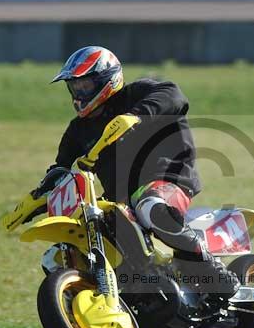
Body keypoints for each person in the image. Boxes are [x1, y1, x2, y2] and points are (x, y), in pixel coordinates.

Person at [28, 45, 238, 296]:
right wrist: (38, 196)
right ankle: (116, 297)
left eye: (85, 85)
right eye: (75, 87)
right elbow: (61, 168)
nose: (79, 93)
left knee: (150, 205)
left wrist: (136, 116)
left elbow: (174, 95)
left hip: (168, 178)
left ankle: (212, 270)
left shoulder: (138, 94)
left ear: (107, 80)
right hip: (121, 198)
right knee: (59, 254)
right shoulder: (77, 129)